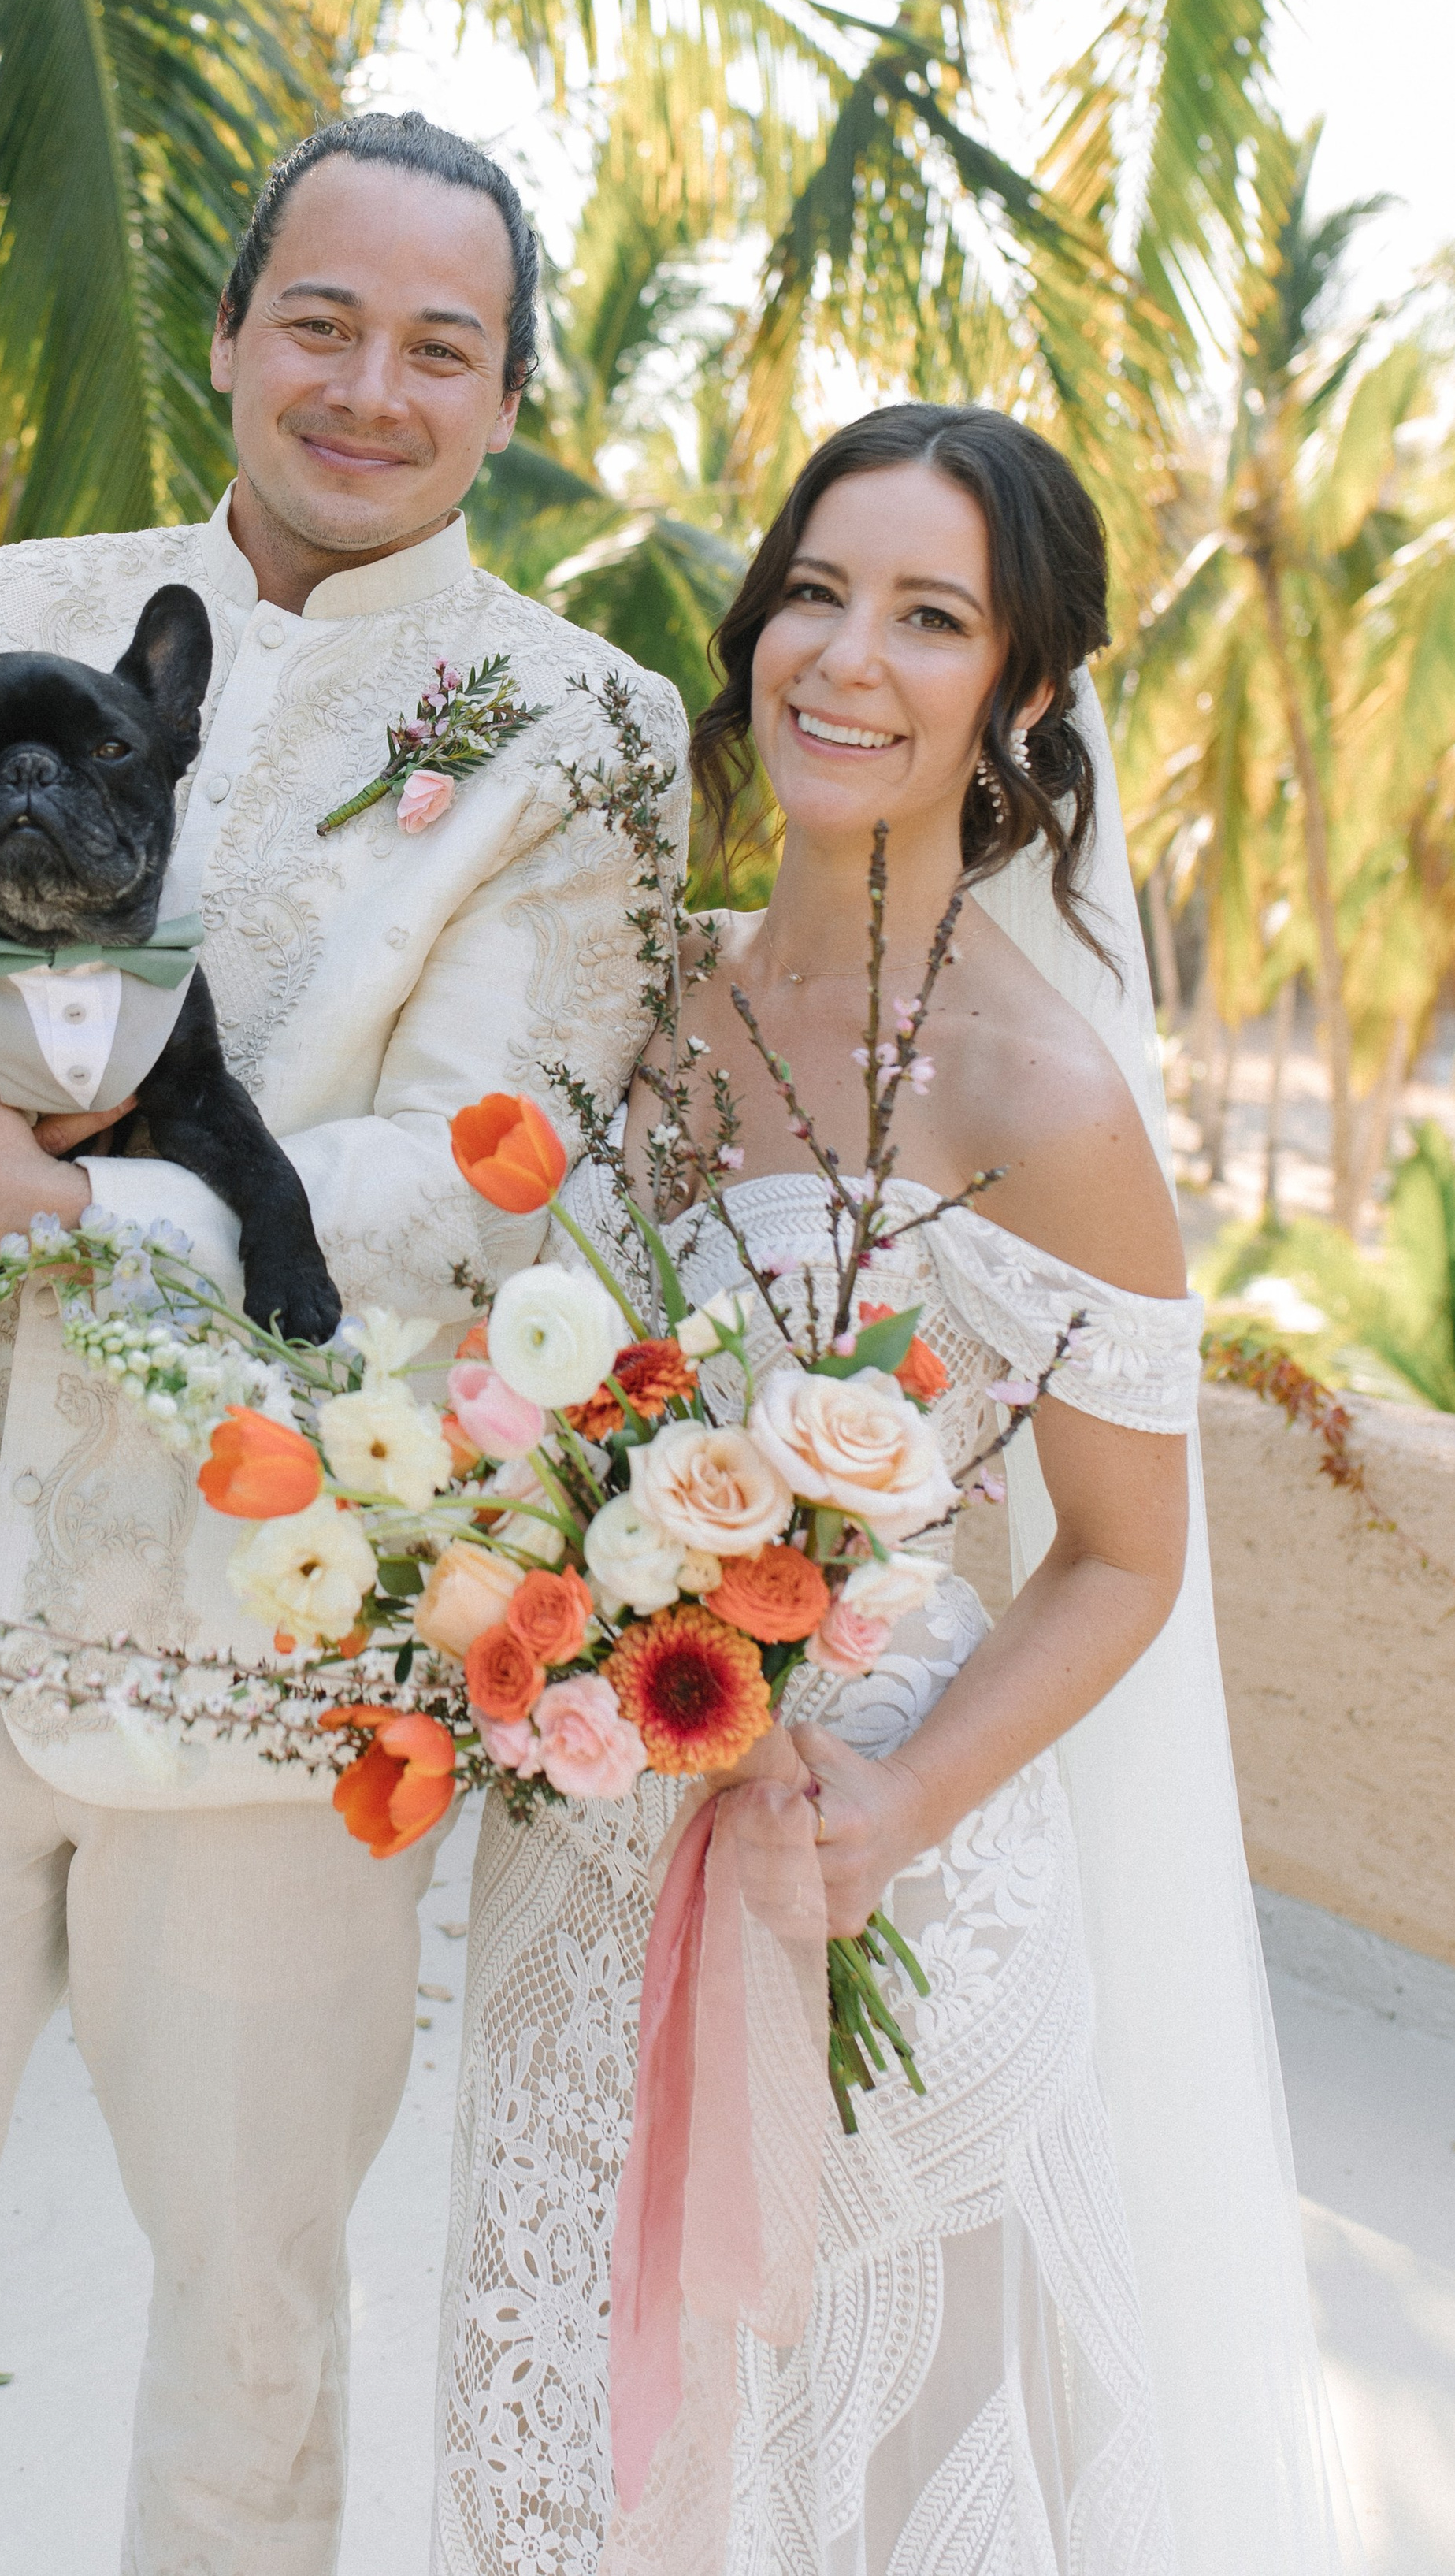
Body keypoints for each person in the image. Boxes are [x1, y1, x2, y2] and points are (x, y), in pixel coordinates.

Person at [0, 110, 688, 2576]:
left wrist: (71, 1207)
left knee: (251, 2341)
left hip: (277, 1684)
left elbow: (507, 1157)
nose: (370, 387)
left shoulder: (582, 728)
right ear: (228, 333)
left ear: (510, 393)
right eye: (321, 319)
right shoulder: (4, 590)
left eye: (443, 344)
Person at [435, 406, 1362, 2576]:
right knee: (570, 2430)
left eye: (930, 616)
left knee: (845, 2484)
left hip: (871, 1880)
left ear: (1022, 698)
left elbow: (1131, 1556)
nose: (847, 657)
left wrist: (902, 1801)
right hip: (597, 1835)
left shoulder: (1041, 1086)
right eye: (819, 592)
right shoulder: (665, 1004)